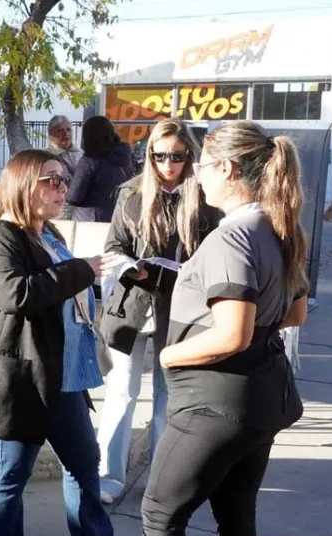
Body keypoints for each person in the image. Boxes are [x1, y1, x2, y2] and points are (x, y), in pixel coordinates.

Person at [139, 120, 309, 536]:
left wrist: (168, 354)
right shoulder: (279, 227)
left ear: (228, 169)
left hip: (216, 402)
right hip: (261, 395)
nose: (196, 176)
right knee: (236, 514)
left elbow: (234, 334)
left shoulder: (233, 235)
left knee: (160, 516)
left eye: (203, 165)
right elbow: (294, 315)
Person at [0, 148, 137, 536]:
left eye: (64, 179)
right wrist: (82, 270)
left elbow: (65, 292)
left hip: (63, 375)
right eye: (52, 180)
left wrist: (113, 276)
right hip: (18, 381)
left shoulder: (49, 234)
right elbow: (16, 294)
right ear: (23, 185)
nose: (63, 188)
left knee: (84, 467)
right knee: (8, 479)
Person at [96, 118, 223, 504]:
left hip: (181, 310)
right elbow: (113, 246)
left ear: (189, 156)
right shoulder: (132, 192)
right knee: (121, 392)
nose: (168, 164)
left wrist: (191, 271)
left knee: (170, 398)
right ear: (149, 154)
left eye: (177, 156)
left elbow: (218, 252)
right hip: (132, 304)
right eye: (160, 155)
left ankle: (160, 482)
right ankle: (108, 477)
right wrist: (126, 265)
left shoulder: (204, 197)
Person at [66, 116, 136, 222]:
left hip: (93, 219)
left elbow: (73, 197)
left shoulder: (90, 160)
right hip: (121, 217)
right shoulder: (126, 156)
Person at [47, 115, 83, 221]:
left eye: (68, 130)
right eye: (60, 131)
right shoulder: (46, 157)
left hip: (81, 212)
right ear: (51, 134)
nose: (66, 134)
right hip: (58, 210)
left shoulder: (82, 155)